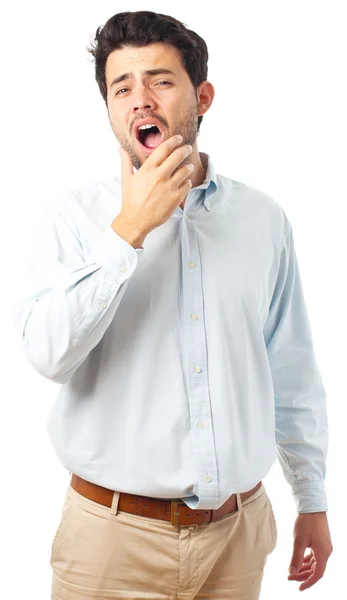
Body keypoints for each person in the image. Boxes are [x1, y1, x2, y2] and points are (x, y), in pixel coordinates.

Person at [13, 10, 333, 600]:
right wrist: (129, 230)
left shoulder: (262, 220)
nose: (140, 100)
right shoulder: (72, 219)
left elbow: (289, 369)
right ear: (108, 108)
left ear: (202, 96)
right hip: (110, 543)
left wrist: (311, 499)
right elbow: (46, 355)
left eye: (160, 80)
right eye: (122, 87)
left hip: (237, 539)